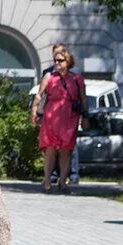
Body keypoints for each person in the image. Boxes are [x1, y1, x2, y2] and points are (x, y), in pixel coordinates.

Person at [30, 46, 85, 194]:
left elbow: (83, 99)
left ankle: (62, 181)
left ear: (68, 61)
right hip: (51, 116)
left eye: (60, 60)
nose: (57, 63)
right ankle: (47, 180)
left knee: (66, 151)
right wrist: (34, 110)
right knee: (50, 149)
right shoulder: (49, 77)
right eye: (55, 60)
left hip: (69, 117)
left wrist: (85, 116)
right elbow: (39, 95)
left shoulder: (77, 78)